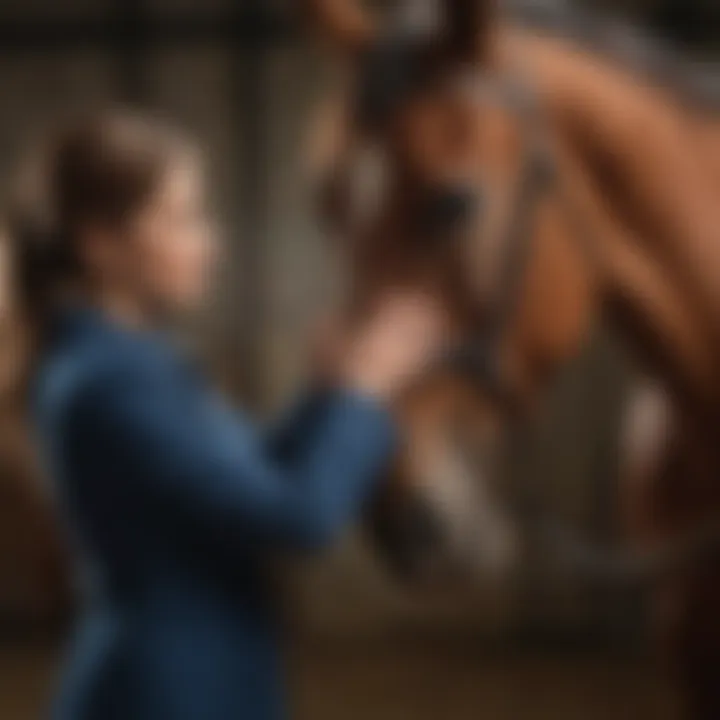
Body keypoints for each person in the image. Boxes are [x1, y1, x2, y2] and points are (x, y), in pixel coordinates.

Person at [9, 110, 444, 720]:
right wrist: (366, 392)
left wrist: (329, 392)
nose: (210, 243)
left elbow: (250, 478)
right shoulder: (112, 382)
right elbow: (296, 516)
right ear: (101, 245)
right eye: (182, 219)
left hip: (194, 678)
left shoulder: (127, 365)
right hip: (165, 691)